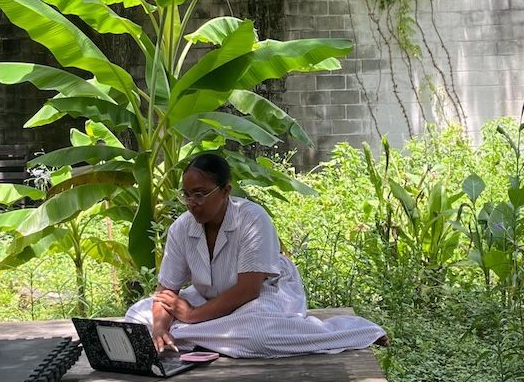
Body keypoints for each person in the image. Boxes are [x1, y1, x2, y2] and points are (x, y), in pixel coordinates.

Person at [124, 152, 386, 359]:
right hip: (207, 298)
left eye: (201, 194)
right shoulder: (182, 227)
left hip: (264, 293)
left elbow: (248, 290)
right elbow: (165, 292)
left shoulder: (252, 219)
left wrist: (191, 316)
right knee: (138, 317)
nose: (193, 202)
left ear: (226, 191)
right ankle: (193, 334)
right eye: (187, 195)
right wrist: (159, 328)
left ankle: (356, 331)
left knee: (257, 336)